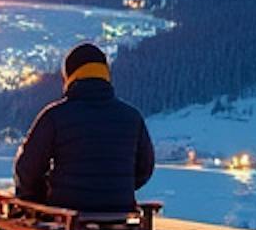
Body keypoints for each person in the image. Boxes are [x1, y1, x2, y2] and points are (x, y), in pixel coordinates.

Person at [13, 43, 156, 212]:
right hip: (119, 209)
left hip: (67, 209)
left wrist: (38, 198)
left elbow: (27, 168)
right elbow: (144, 168)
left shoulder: (54, 116)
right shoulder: (133, 117)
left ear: (70, 77)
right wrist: (114, 187)